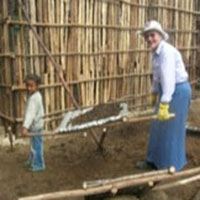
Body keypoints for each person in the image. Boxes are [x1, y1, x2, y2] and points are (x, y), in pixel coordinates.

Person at [138, 20, 191, 171]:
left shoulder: (166, 53)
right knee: (157, 126)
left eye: (152, 35)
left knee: (171, 129)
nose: (149, 39)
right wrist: (154, 94)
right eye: (146, 36)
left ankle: (170, 165)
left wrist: (164, 103)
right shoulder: (155, 53)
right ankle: (153, 161)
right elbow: (157, 77)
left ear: (160, 35)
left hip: (178, 91)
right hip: (165, 91)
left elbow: (168, 80)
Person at [22, 74, 45, 172]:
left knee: (37, 146)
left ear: (37, 86)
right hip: (36, 124)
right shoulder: (36, 95)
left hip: (35, 126)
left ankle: (39, 164)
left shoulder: (34, 98)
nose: (29, 88)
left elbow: (30, 114)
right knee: (34, 145)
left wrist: (25, 127)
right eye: (27, 86)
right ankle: (32, 160)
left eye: (31, 86)